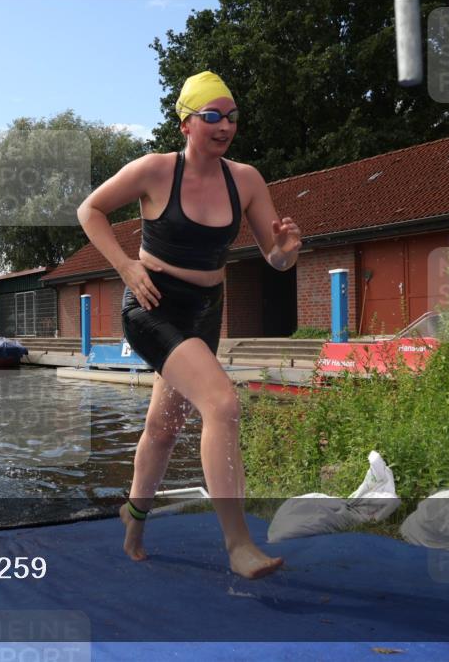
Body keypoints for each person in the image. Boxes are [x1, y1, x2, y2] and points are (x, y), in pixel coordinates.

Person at [76, 71, 301, 579]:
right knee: (223, 403)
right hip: (153, 305)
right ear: (186, 123)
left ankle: (132, 518)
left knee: (163, 428)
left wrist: (285, 252)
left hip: (205, 308)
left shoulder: (245, 179)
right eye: (213, 116)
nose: (225, 126)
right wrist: (126, 266)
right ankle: (239, 543)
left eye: (232, 116)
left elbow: (275, 257)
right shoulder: (154, 171)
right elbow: (89, 210)